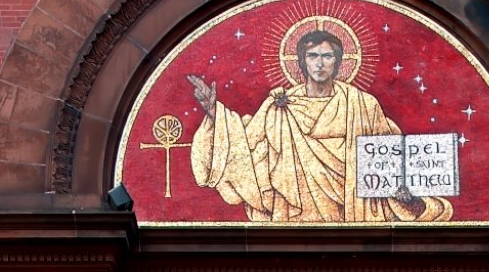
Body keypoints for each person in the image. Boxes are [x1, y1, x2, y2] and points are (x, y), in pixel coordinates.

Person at [188, 30, 453, 224]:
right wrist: (214, 112)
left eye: (327, 56)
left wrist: (405, 192)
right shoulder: (281, 104)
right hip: (292, 220)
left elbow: (389, 158)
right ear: (302, 62)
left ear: (339, 61)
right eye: (312, 55)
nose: (319, 62)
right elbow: (245, 146)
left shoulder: (363, 105)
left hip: (356, 215)